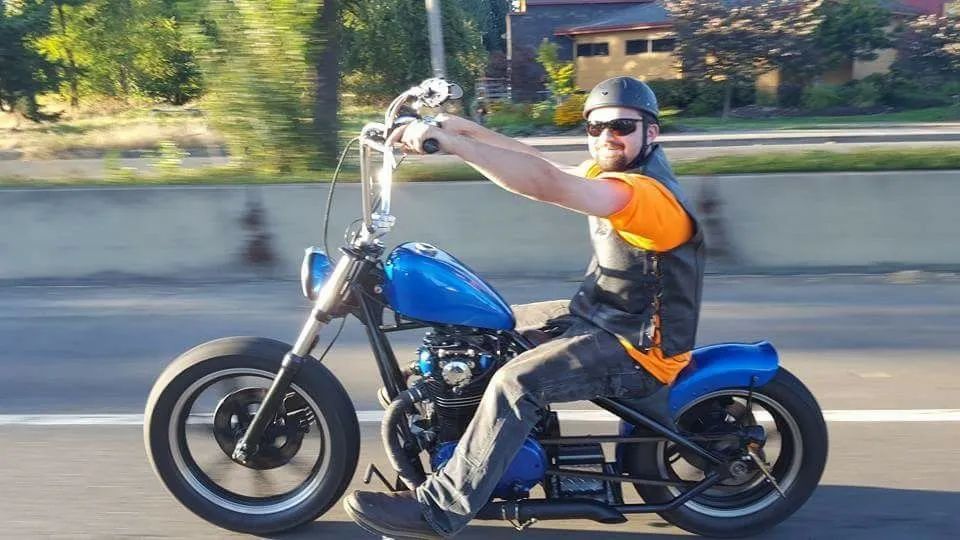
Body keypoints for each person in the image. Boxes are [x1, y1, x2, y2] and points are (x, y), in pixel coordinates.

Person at [343, 76, 705, 539]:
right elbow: (534, 159)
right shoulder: (619, 174)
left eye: (621, 126)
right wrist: (457, 127)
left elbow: (545, 183)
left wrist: (449, 144)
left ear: (650, 132)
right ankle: (448, 421)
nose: (607, 137)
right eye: (596, 129)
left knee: (516, 383)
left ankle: (441, 510)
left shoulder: (643, 196)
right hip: (602, 314)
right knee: (491, 328)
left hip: (637, 348)